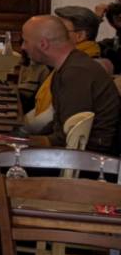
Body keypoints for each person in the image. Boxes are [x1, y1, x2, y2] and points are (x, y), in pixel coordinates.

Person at [20, 13, 121, 152]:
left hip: (90, 158)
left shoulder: (76, 73)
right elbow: (59, 124)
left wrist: (25, 142)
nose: (23, 47)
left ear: (43, 44)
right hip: (75, 152)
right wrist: (23, 137)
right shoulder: (67, 67)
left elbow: (69, 136)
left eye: (25, 41)